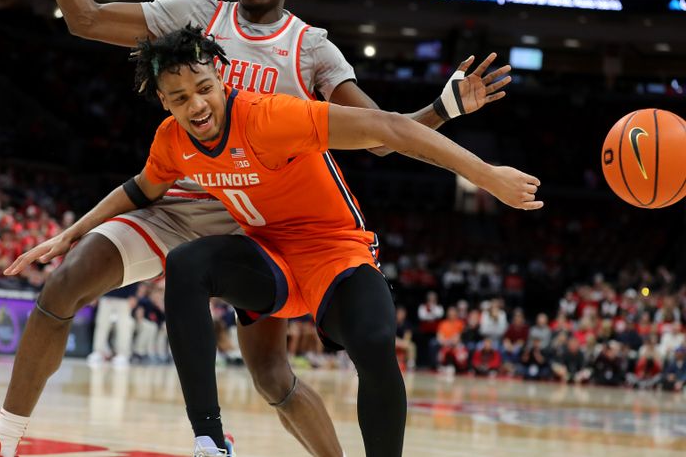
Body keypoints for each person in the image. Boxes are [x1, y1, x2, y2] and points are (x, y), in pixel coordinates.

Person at [0, 0, 515, 457]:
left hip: (256, 219)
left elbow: (380, 136)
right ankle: (3, 442)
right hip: (180, 197)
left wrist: (445, 110)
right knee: (67, 281)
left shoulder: (311, 50)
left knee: (272, 375)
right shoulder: (196, 17)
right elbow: (83, 18)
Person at [117, 27, 536, 455]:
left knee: (374, 344)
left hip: (334, 251)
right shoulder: (171, 140)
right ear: (164, 101)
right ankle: (209, 441)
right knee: (186, 262)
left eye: (204, 88)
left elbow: (387, 129)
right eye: (180, 97)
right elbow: (139, 189)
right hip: (269, 258)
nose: (197, 104)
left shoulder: (271, 115)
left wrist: (486, 175)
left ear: (222, 78)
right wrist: (74, 233)